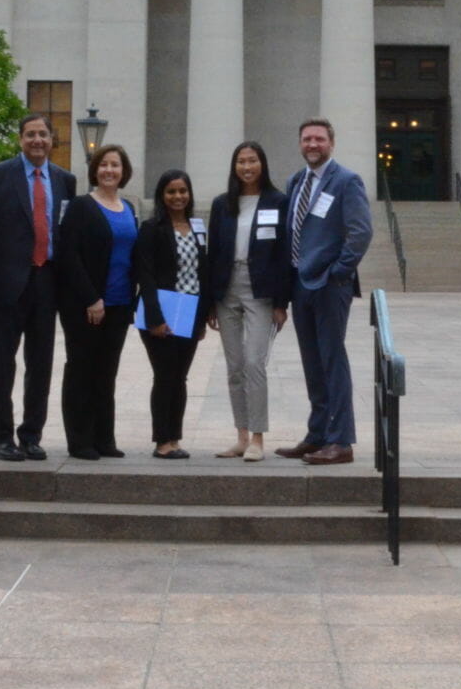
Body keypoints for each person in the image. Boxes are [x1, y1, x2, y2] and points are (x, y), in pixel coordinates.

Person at [0, 113, 78, 462]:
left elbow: (67, 232)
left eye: (43, 134)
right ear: (20, 139)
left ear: (51, 140)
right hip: (6, 284)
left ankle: (31, 435)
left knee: (41, 364)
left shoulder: (65, 180)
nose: (37, 140)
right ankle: (2, 438)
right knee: (3, 364)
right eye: (30, 134)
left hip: (48, 282)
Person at [276, 117, 373, 466]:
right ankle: (317, 434)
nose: (312, 145)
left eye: (318, 139)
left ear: (331, 143)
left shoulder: (346, 181)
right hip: (300, 284)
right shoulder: (296, 181)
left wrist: (338, 273)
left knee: (332, 360)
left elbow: (360, 232)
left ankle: (341, 441)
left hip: (330, 286)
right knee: (312, 363)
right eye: (306, 139)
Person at [204, 141, 291, 462]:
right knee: (235, 366)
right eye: (241, 161)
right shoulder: (222, 204)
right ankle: (241, 435)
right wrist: (211, 301)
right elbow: (213, 253)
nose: (246, 167)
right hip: (227, 289)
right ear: (234, 166)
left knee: (255, 363)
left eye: (252, 160)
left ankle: (258, 437)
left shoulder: (278, 201)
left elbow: (284, 254)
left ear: (262, 164)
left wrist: (282, 302)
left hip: (262, 289)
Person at [56, 143, 138, 460]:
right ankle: (80, 440)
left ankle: (105, 438)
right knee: (81, 370)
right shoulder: (80, 206)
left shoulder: (128, 208)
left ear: (124, 171)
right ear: (95, 170)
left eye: (115, 165)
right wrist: (91, 297)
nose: (109, 170)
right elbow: (69, 256)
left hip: (119, 305)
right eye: (104, 165)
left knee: (106, 373)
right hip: (86, 305)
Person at [132, 168, 208, 459]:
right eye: (171, 192)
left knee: (180, 377)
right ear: (162, 196)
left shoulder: (198, 226)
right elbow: (146, 275)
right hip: (161, 310)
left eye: (183, 191)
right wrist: (155, 317)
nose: (178, 197)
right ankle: (162, 441)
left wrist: (202, 317)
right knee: (165, 375)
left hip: (189, 310)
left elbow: (204, 272)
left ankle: (175, 438)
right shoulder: (152, 228)